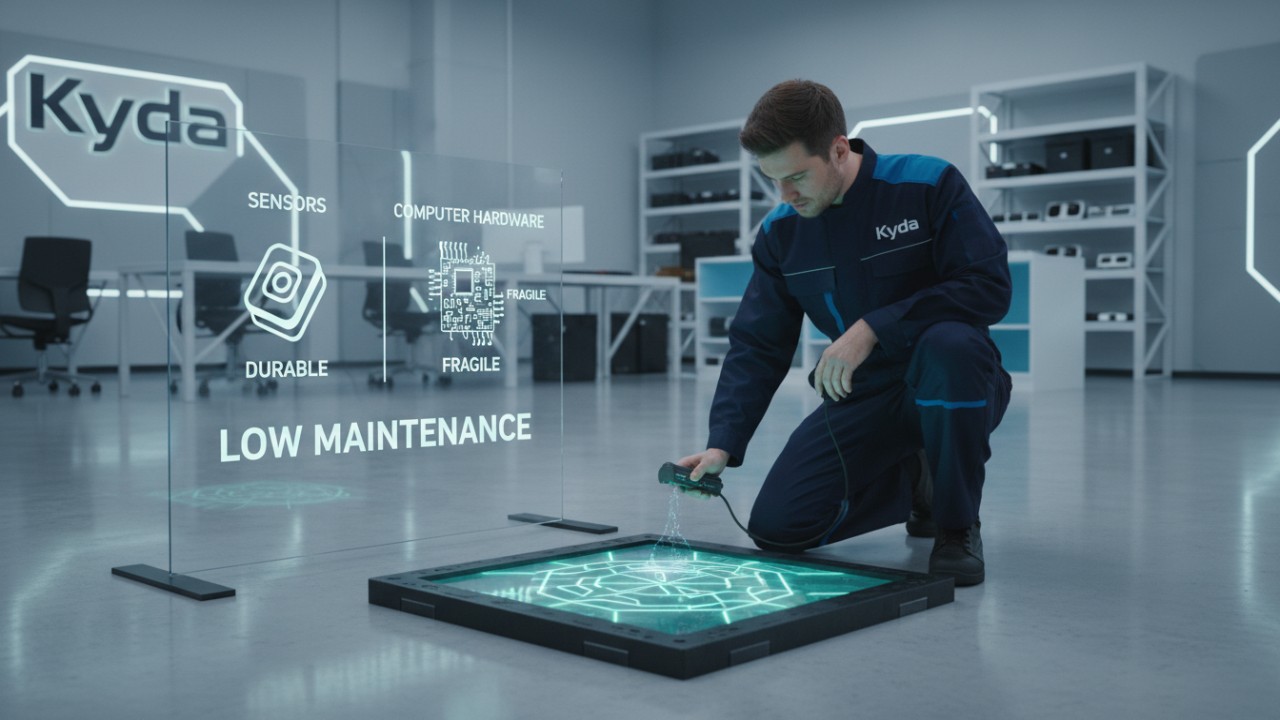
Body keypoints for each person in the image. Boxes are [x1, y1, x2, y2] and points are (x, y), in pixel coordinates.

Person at [677, 79, 1012, 586]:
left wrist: (874, 327)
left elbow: (988, 285)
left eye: (796, 177)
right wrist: (723, 442)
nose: (786, 196)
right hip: (865, 393)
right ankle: (920, 479)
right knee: (778, 527)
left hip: (956, 379)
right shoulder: (781, 233)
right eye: (773, 180)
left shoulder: (927, 184)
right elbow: (758, 344)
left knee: (951, 347)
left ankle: (956, 524)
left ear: (838, 150)